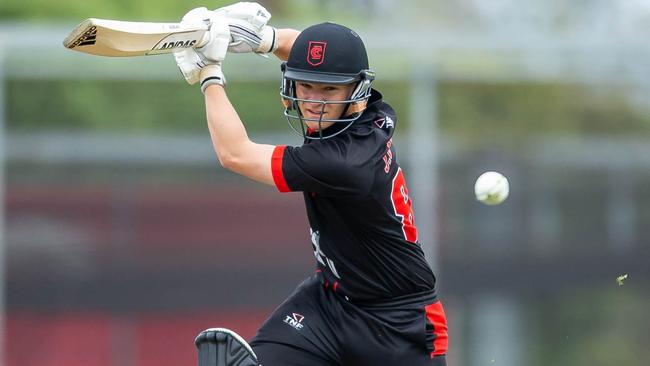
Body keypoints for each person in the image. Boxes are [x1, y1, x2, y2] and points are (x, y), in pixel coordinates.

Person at [175, 3, 449, 366]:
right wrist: (259, 39)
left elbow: (235, 154)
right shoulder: (368, 110)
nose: (314, 102)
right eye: (305, 86)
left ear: (355, 92)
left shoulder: (344, 164)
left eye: (328, 92)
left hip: (399, 326)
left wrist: (209, 72)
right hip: (329, 302)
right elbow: (312, 55)